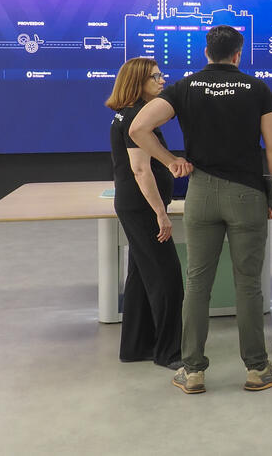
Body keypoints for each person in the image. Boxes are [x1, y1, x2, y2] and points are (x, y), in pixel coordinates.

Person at [129, 25, 272, 394]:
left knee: (197, 283)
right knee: (248, 284)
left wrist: (170, 160)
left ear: (206, 53)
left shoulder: (185, 87)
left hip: (201, 193)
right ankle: (257, 368)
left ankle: (192, 371)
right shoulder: (257, 89)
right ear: (238, 54)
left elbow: (138, 128)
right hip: (246, 195)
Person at [105, 57, 182, 369]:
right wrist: (160, 213)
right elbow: (140, 170)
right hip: (142, 207)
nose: (162, 81)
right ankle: (169, 352)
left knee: (140, 277)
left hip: (134, 204)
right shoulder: (135, 117)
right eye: (155, 77)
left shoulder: (128, 114)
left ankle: (136, 346)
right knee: (167, 279)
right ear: (138, 82)